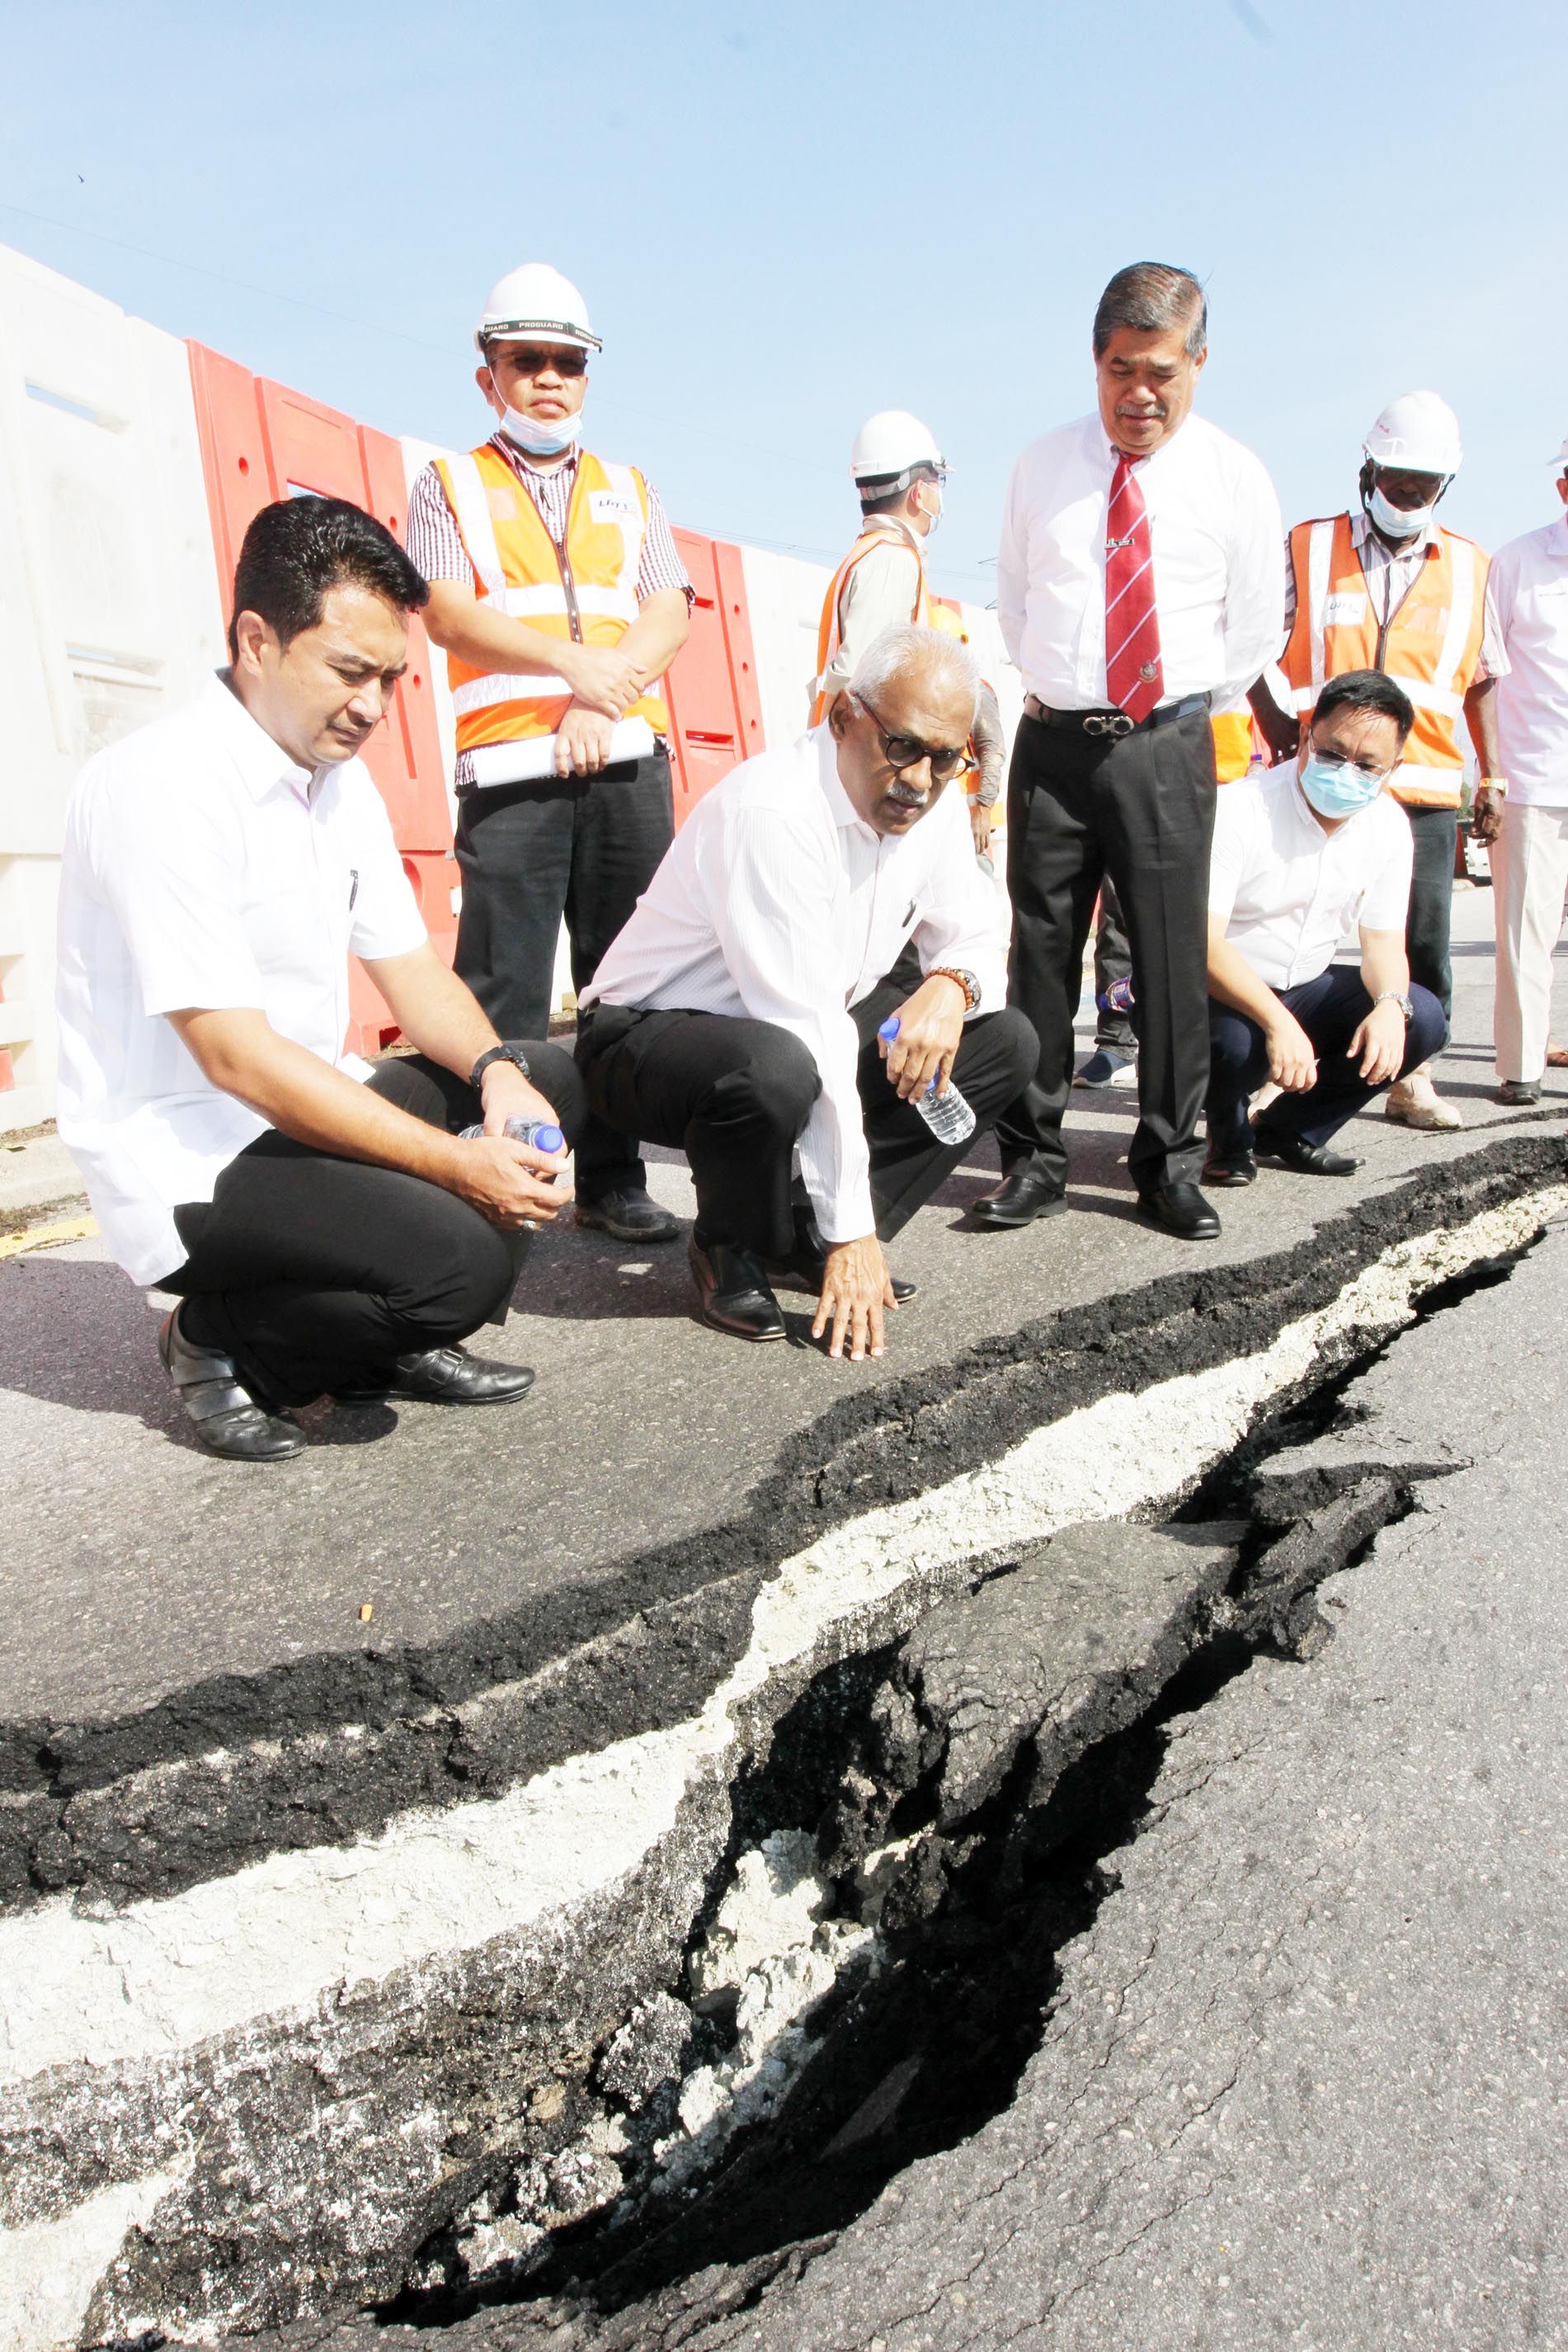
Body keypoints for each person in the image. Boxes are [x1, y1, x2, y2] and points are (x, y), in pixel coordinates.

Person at [54, 497, 586, 1464]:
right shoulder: (163, 785)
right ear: (257, 640)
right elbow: (235, 1058)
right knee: (459, 1260)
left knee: (543, 1078)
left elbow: (413, 972)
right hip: (193, 1150)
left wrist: (502, 1077)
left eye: (390, 677)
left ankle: (383, 1336)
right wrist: (453, 1162)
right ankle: (216, 1339)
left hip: (300, 1104)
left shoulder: (336, 780)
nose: (375, 707)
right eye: (350, 672)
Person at [577, 625, 1038, 1360]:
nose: (920, 778)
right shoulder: (774, 811)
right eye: (903, 746)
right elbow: (810, 1030)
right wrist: (856, 1232)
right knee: (778, 1068)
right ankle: (726, 1248)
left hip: (791, 1027)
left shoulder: (936, 807)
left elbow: (981, 932)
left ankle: (800, 1234)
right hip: (644, 1041)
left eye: (947, 758)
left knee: (1003, 1040)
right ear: (843, 718)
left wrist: (951, 985)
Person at [978, 261, 1283, 1241]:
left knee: (1164, 961)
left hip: (1165, 744)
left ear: (1198, 362)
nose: (1136, 394)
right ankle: (1031, 1160)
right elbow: (1016, 603)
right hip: (1054, 746)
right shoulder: (1040, 465)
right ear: (1093, 362)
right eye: (1117, 370)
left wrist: (1165, 711)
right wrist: (1072, 697)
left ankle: (1167, 1162)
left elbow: (1250, 629)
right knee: (1040, 960)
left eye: (1158, 371)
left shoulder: (1233, 475)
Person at [407, 262, 692, 1244]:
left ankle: (612, 1180)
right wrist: (576, 670)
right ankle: (493, 1180)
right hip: (510, 776)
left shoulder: (630, 487)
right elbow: (447, 612)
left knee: (622, 983)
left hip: (621, 767)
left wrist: (594, 694)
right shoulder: (448, 484)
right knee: (504, 992)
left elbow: (667, 609)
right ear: (487, 374)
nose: (548, 379)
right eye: (524, 360)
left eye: (567, 361)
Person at [1250, 390, 1508, 1132]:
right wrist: (1280, 730)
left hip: (1420, 783)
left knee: (1420, 935)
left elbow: (1483, 678)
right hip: (1319, 778)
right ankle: (1273, 1062)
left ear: (1444, 488)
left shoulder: (1469, 565)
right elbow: (1251, 644)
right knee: (1286, 917)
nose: (1406, 496)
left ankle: (1408, 1076)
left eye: (1421, 487)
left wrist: (1487, 775)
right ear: (1367, 469)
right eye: (1394, 480)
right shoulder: (1309, 545)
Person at [1203, 670, 1444, 1183]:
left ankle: (1291, 1130)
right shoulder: (1240, 810)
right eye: (1333, 752)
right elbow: (1203, 945)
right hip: (1217, 992)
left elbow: (1381, 944)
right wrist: (1279, 1024)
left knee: (1420, 1017)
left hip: (1304, 985)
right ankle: (1227, 1133)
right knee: (1233, 1046)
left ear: (1393, 768)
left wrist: (1389, 1006)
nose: (1344, 770)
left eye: (1366, 764)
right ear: (1309, 734)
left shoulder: (1387, 827)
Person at [812, 410, 1005, 860]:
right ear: (919, 491)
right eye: (938, 480)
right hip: (872, 785)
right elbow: (856, 676)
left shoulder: (871, 555)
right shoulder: (893, 560)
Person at [1480, 440, 1568, 1106]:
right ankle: (1520, 1068)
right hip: (1537, 776)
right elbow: (1482, 673)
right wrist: (1491, 775)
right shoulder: (1516, 563)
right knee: (1523, 933)